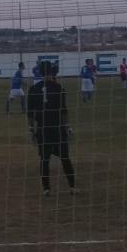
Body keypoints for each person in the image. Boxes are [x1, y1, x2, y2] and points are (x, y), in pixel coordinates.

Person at [24, 61, 76, 193]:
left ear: (40, 72)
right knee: (65, 157)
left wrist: (31, 129)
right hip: (58, 127)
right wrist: (68, 127)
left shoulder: (33, 89)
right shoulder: (58, 88)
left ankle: (46, 189)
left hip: (43, 128)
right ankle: (72, 187)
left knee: (44, 159)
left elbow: (30, 113)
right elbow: (63, 110)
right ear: (52, 72)